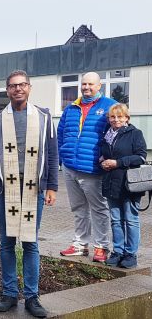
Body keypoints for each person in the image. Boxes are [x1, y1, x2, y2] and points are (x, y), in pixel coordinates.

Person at [0, 70, 58, 318]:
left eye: (22, 85)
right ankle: (10, 294)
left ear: (29, 88)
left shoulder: (44, 117)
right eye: (13, 86)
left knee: (31, 242)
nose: (18, 89)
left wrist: (52, 186)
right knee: (7, 241)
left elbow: (53, 153)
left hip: (34, 188)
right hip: (6, 190)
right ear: (7, 90)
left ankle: (32, 297)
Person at [58, 72, 117, 263]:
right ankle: (80, 244)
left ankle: (101, 246)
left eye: (91, 84)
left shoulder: (109, 106)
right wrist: (61, 156)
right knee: (78, 207)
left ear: (99, 86)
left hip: (92, 168)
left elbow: (118, 133)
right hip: (70, 166)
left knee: (99, 208)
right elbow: (61, 133)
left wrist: (109, 159)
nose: (86, 87)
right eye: (84, 84)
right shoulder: (71, 108)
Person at [100, 104, 146, 269]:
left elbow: (141, 157)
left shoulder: (135, 134)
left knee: (131, 220)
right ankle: (117, 252)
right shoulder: (107, 135)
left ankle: (130, 254)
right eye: (113, 117)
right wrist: (102, 159)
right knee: (116, 220)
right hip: (111, 183)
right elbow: (105, 153)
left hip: (129, 184)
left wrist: (117, 162)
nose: (116, 120)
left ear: (127, 118)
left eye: (120, 116)